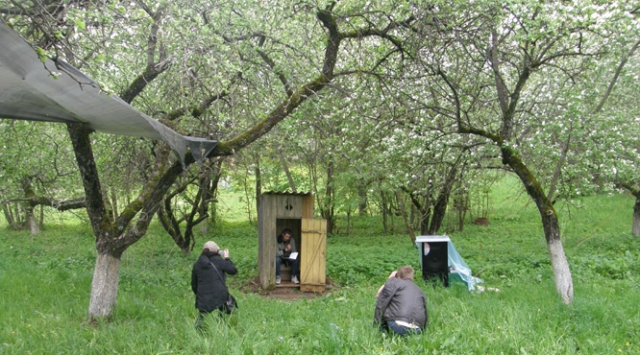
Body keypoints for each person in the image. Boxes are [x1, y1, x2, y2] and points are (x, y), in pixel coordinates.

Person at [191, 240, 238, 328]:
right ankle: (221, 327)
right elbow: (233, 270)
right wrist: (227, 258)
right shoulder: (219, 261)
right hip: (219, 295)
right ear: (217, 251)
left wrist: (199, 294)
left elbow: (194, 283)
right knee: (223, 310)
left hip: (203, 297)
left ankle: (198, 330)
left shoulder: (197, 264)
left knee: (202, 315)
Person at [374, 266, 428, 336]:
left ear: (398, 277)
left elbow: (379, 296)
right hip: (417, 328)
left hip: (397, 326)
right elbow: (425, 311)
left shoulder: (394, 282)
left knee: (383, 300)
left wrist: (390, 279)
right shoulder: (419, 290)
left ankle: (383, 333)